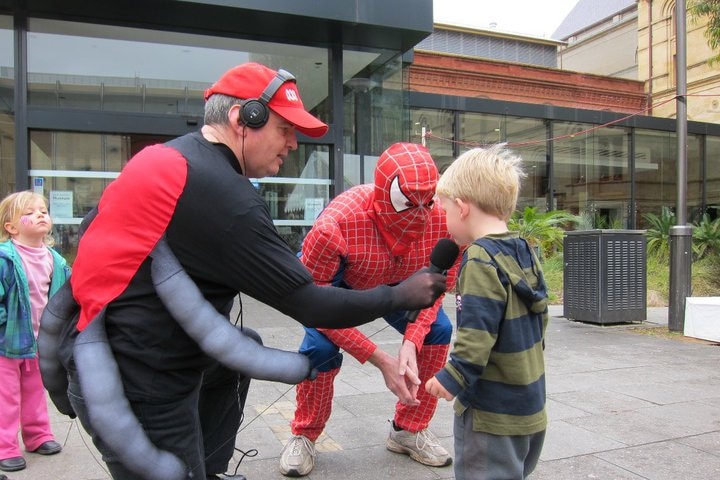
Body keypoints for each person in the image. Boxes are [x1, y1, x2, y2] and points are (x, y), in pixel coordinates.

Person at [52, 62, 447, 480]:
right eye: (284, 129)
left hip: (123, 353)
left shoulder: (169, 159)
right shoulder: (226, 198)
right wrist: (401, 295)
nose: (293, 144)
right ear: (245, 119)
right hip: (139, 382)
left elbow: (89, 229)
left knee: (237, 356)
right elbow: (310, 303)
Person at [279, 142, 460, 477]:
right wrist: (381, 358)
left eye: (428, 202)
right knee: (319, 349)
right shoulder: (335, 224)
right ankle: (305, 432)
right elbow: (311, 305)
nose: (419, 216)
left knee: (438, 331)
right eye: (408, 204)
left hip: (404, 285)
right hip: (343, 286)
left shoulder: (443, 220)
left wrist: (411, 340)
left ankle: (409, 429)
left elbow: (436, 286)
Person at [425, 144, 549, 480]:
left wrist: (453, 377)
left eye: (445, 209)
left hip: (491, 413)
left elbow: (476, 333)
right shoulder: (523, 250)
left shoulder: (480, 258)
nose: (445, 221)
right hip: (529, 405)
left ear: (463, 208)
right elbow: (541, 319)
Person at [0, 191, 70, 473]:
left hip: (40, 341)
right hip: (7, 342)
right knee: (6, 396)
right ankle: (5, 446)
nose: (40, 214)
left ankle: (38, 435)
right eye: (30, 212)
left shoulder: (56, 260)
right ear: (11, 227)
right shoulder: (5, 258)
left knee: (35, 391)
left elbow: (65, 297)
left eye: (43, 210)